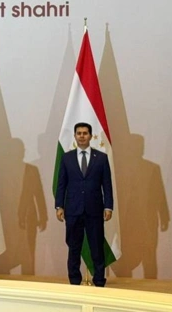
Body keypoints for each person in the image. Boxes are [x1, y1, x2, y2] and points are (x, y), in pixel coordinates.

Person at [55, 122, 113, 287]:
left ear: (90, 136)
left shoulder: (101, 158)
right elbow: (61, 184)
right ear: (75, 136)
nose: (82, 136)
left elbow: (107, 185)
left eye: (85, 133)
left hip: (94, 210)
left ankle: (99, 281)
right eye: (79, 133)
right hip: (73, 210)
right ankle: (74, 280)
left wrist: (108, 206)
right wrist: (59, 206)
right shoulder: (67, 158)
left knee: (97, 247)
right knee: (74, 248)